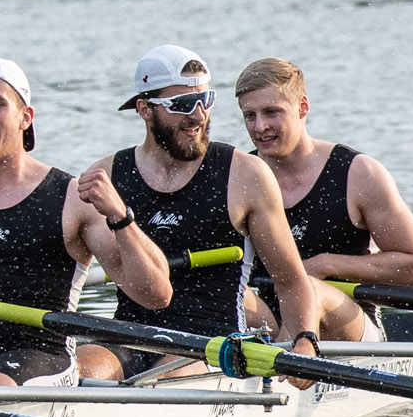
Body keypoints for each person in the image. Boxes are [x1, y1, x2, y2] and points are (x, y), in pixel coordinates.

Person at [0, 60, 170, 389]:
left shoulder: (71, 198)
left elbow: (155, 295)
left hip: (44, 354)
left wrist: (119, 217)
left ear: (26, 117)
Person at [100, 46, 321, 378]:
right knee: (86, 363)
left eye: (206, 100)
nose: (199, 116)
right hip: (130, 339)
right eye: (183, 105)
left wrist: (305, 340)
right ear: (145, 109)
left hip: (215, 345)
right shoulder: (107, 177)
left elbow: (290, 280)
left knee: (167, 378)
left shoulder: (245, 176)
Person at [235, 58, 413, 343]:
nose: (260, 127)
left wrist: (325, 265)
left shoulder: (358, 174)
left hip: (348, 328)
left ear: (302, 108)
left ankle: (280, 364)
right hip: (270, 323)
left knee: (308, 290)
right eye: (249, 116)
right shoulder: (241, 177)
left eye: (271, 112)